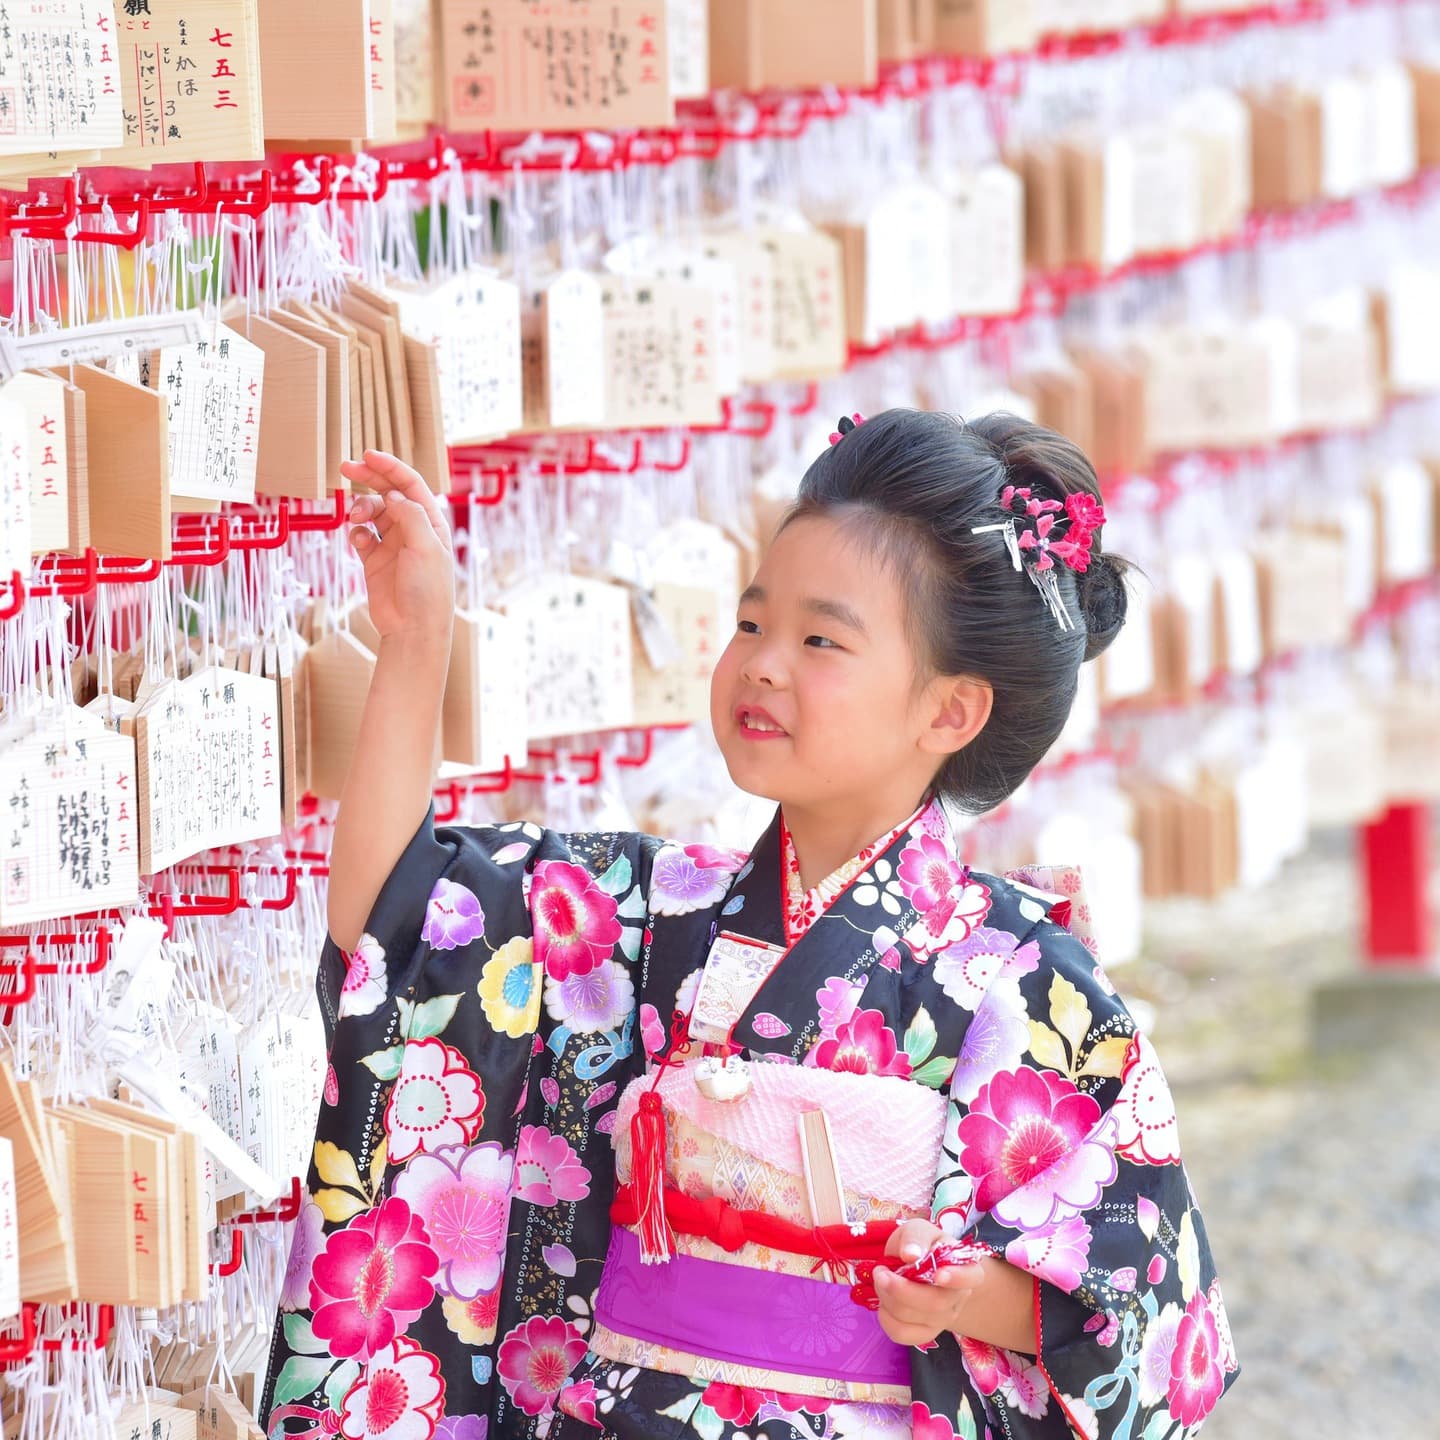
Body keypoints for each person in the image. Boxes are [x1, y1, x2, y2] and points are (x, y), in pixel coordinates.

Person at [261, 410, 1236, 1440]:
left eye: (820, 639)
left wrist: (975, 1298)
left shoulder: (1023, 981)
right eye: (752, 624)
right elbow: (396, 925)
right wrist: (414, 641)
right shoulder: (646, 915)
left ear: (948, 713)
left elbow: (1143, 1300)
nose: (764, 664)